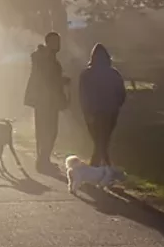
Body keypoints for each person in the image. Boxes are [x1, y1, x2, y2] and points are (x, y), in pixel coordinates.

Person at [24, 31, 69, 172]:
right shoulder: (46, 58)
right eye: (56, 42)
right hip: (46, 99)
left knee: (46, 130)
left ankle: (43, 160)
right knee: (48, 130)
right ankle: (43, 161)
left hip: (45, 99)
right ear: (49, 42)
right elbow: (47, 79)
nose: (59, 45)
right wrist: (62, 81)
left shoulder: (47, 57)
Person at [78, 43, 126, 167]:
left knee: (99, 142)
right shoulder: (114, 73)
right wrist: (117, 105)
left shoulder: (86, 74)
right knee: (103, 141)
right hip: (110, 112)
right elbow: (121, 93)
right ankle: (105, 168)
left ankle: (96, 169)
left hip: (93, 113)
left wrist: (86, 112)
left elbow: (83, 95)